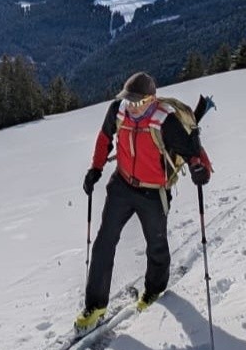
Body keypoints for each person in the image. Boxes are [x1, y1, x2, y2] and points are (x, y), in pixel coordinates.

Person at [77, 71, 212, 332]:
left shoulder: (165, 120)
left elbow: (193, 152)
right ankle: (95, 305)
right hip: (122, 184)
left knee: (156, 245)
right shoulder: (118, 110)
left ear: (151, 98)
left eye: (138, 101)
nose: (132, 105)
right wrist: (95, 169)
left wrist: (200, 171)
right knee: (104, 241)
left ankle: (154, 290)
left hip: (153, 192)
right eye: (129, 100)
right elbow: (105, 138)